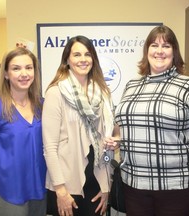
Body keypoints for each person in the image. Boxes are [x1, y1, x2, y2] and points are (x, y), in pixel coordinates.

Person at [105, 25, 189, 216]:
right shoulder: (132, 86)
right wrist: (115, 141)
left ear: (174, 52)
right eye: (154, 45)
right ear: (146, 51)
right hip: (134, 184)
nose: (159, 51)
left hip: (177, 187)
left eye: (166, 46)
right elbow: (122, 129)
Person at [42, 35, 114, 216]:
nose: (83, 59)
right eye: (77, 55)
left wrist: (106, 185)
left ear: (93, 59)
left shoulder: (103, 92)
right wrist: (60, 190)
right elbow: (50, 147)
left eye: (87, 54)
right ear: (67, 59)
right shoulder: (55, 92)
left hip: (96, 180)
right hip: (66, 183)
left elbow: (106, 142)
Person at [0, 47, 47, 216]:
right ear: (6, 74)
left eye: (29, 68)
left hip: (40, 186)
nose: (24, 73)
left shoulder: (42, 106)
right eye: (16, 68)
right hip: (9, 189)